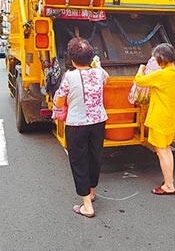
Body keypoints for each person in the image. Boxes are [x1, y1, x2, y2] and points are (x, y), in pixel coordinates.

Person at [53, 37, 109, 218]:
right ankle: (91, 192)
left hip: (77, 124)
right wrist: (97, 65)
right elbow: (105, 79)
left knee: (79, 161)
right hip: (99, 121)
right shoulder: (99, 73)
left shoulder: (69, 76)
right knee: (95, 157)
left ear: (71, 59)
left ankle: (87, 206)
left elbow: (59, 99)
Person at [134, 43, 175, 195]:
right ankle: (169, 180)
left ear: (162, 60)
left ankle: (168, 186)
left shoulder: (161, 75)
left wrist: (141, 69)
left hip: (159, 118)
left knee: (161, 151)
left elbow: (139, 80)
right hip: (172, 117)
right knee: (167, 149)